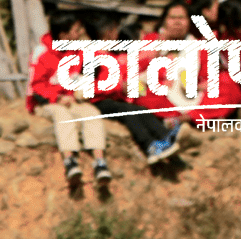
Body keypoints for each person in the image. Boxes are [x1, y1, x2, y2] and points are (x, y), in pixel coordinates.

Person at [83, 10, 181, 166]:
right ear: (108, 32)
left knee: (144, 110)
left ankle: (167, 138)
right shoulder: (92, 57)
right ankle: (149, 145)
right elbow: (88, 87)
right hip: (100, 101)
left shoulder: (112, 56)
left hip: (117, 98)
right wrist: (118, 86)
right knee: (130, 113)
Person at [27, 11, 108, 184]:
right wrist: (57, 98)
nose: (80, 33)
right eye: (76, 30)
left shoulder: (78, 51)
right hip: (47, 102)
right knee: (62, 116)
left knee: (92, 112)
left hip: (71, 100)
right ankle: (70, 160)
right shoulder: (42, 52)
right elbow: (35, 87)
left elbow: (88, 75)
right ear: (64, 35)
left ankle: (99, 162)